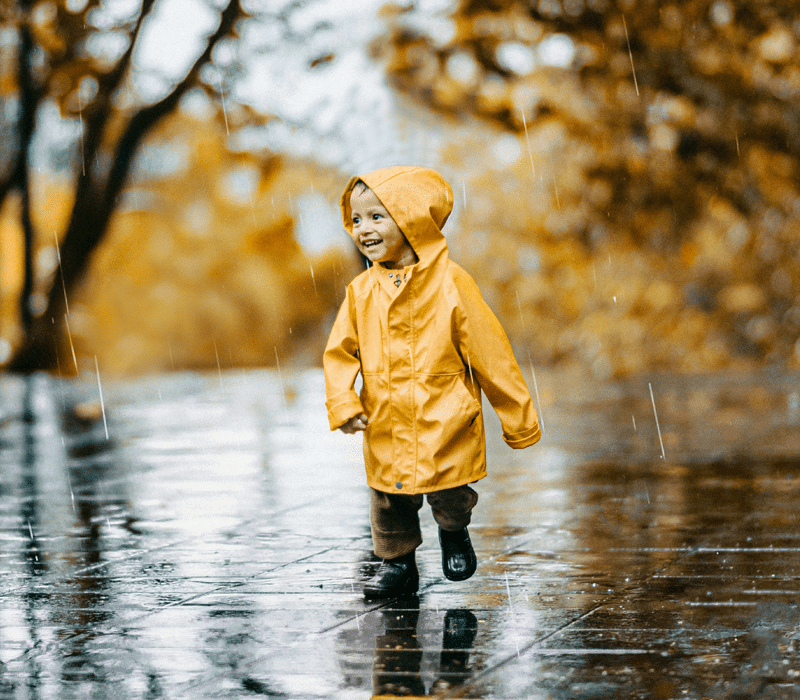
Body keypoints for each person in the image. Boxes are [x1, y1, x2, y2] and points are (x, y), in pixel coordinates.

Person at [324, 165, 541, 599]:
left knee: (451, 490)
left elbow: (490, 352)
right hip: (385, 418)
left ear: (410, 220)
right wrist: (344, 402)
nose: (363, 229)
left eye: (376, 217)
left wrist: (518, 417)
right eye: (355, 220)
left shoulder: (452, 284)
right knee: (389, 500)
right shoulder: (360, 292)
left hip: (445, 413)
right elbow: (338, 353)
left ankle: (454, 533)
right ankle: (397, 564)